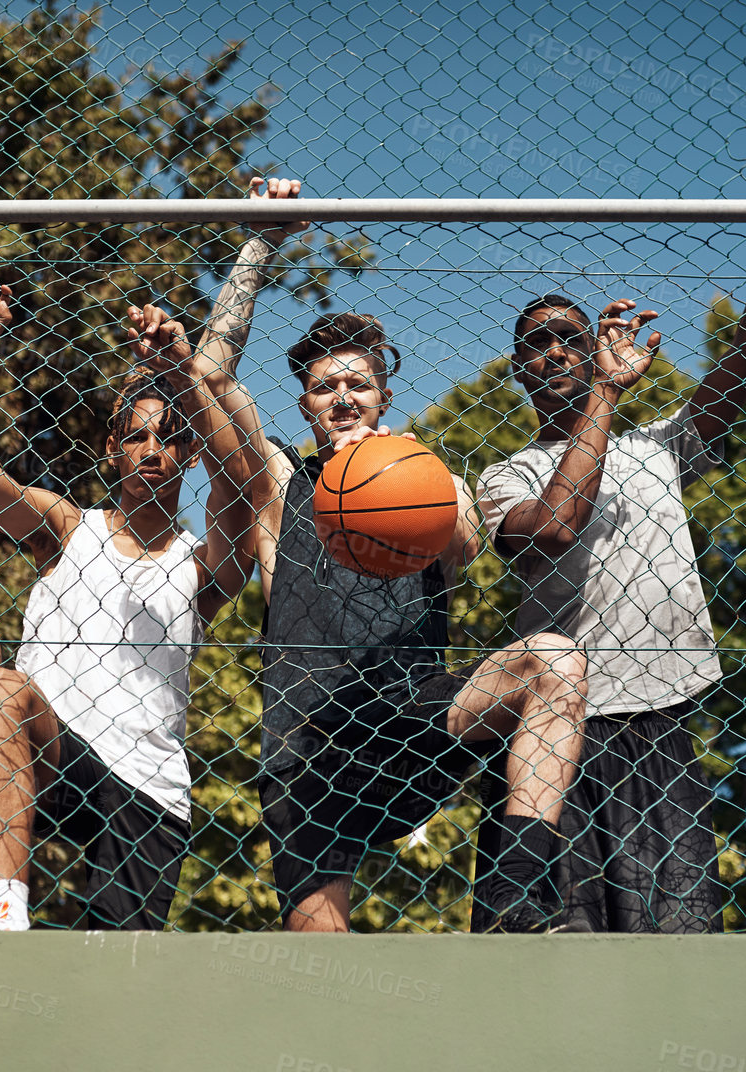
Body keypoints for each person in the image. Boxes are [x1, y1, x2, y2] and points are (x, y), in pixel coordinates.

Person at [0, 178, 300, 930]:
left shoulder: (202, 565)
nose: (153, 450)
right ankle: (5, 914)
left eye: (170, 438)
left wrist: (183, 370)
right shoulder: (67, 528)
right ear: (111, 449)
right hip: (49, 748)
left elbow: (247, 477)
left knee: (113, 973)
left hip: (145, 781)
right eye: (136, 435)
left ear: (189, 454)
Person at [472, 124, 746, 932]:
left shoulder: (660, 449)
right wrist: (607, 398)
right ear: (519, 370)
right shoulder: (502, 475)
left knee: (677, 936)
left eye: (569, 339)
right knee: (558, 945)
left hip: (661, 719)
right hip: (552, 735)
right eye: (535, 344)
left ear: (594, 352)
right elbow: (553, 529)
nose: (553, 351)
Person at [245, 305, 616, 933]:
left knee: (553, 660)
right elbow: (213, 383)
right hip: (306, 741)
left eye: (358, 384)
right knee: (318, 967)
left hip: (407, 718)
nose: (342, 398)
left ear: (384, 397)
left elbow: (463, 545)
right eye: (324, 387)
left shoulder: (432, 481)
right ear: (305, 405)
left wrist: (395, 479)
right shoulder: (276, 480)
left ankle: (513, 904)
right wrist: (257, 250)